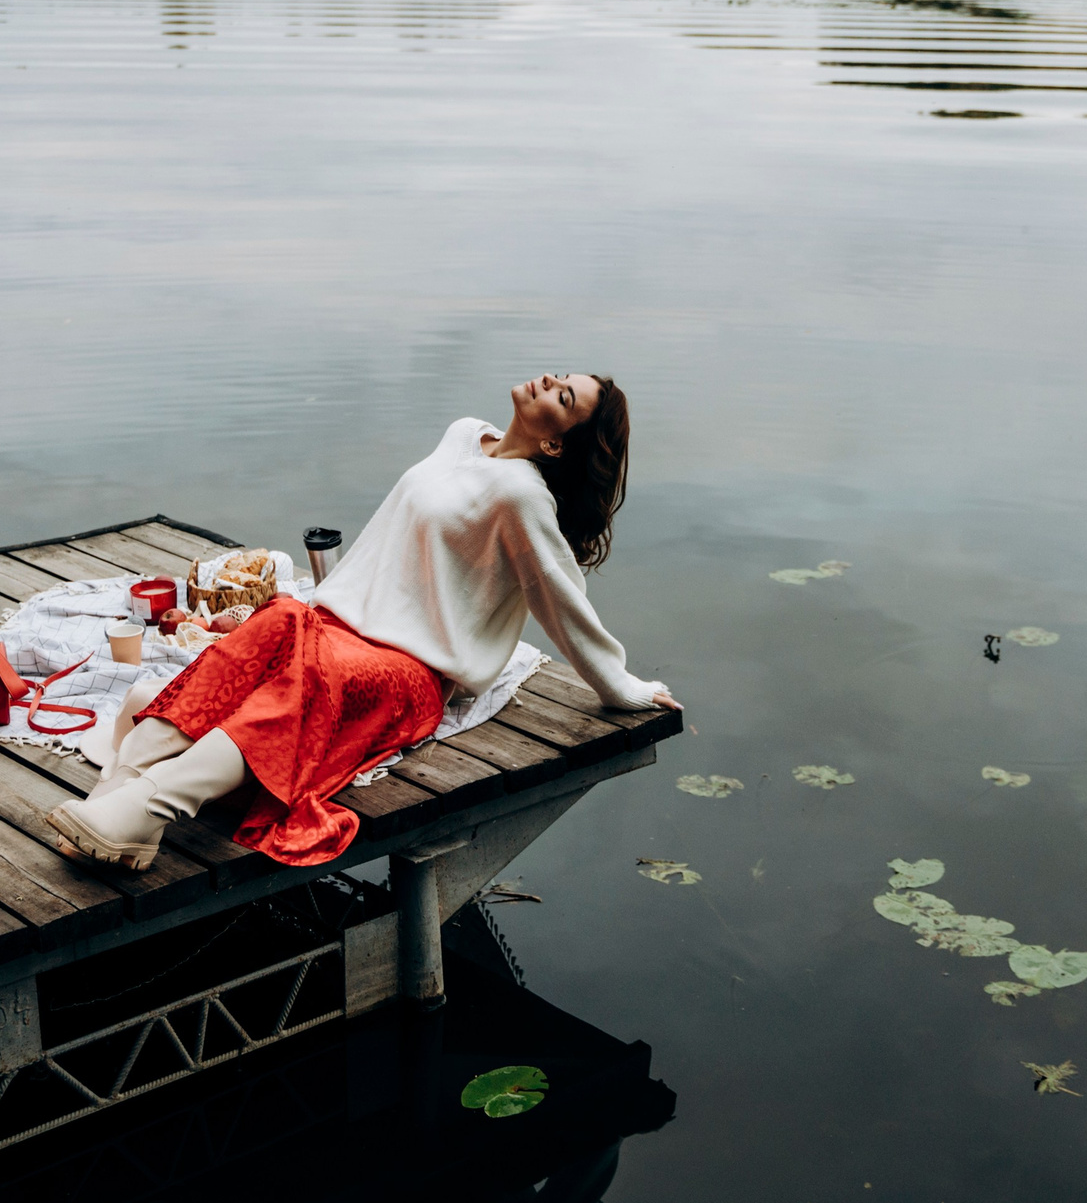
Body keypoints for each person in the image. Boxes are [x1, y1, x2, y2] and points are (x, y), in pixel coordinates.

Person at [46, 373, 680, 871]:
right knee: (277, 617)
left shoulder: (522, 496)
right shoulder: (464, 434)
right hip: (341, 624)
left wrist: (623, 687)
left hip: (412, 671)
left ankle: (148, 808)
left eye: (563, 395)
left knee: (316, 671)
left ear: (555, 444)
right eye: (559, 375)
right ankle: (120, 798)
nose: (547, 380)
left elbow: (560, 598)